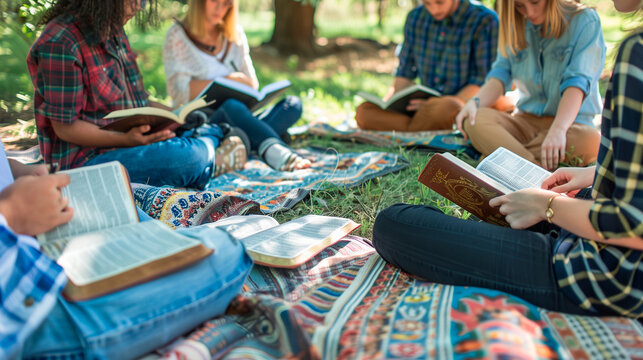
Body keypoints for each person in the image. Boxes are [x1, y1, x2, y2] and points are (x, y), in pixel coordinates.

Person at [372, 0, 643, 318]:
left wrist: (548, 206)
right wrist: (593, 174)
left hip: (604, 275)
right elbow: (499, 75)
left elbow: (633, 226)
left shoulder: (634, 51)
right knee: (490, 202)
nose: (527, 11)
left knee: (394, 223)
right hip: (593, 224)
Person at [0, 141, 252, 359]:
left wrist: (19, 173)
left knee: (124, 206)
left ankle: (215, 131)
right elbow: (66, 128)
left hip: (25, 237)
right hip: (24, 308)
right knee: (228, 248)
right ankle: (216, 133)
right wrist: (11, 212)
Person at [27, 0, 246, 190]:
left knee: (189, 134)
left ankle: (208, 140)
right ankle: (213, 145)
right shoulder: (61, 42)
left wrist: (179, 116)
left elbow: (140, 102)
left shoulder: (112, 29)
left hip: (131, 143)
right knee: (190, 158)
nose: (139, 6)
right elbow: (66, 128)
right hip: (86, 164)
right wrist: (124, 139)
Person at [455, 0, 605, 171]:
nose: (530, 13)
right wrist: (474, 103)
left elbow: (577, 82)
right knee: (475, 119)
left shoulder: (585, 20)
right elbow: (500, 74)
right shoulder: (515, 23)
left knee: (590, 141)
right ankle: (533, 169)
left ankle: (503, 158)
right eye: (519, 6)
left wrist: (558, 129)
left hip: (570, 125)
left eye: (535, 2)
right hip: (524, 122)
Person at [163, 0, 310, 171]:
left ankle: (244, 143)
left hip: (240, 116)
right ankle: (274, 149)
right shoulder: (177, 35)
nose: (220, 9)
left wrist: (232, 79)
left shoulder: (234, 34)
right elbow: (179, 93)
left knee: (292, 105)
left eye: (226, 3)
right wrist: (225, 79)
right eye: (214, 1)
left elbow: (252, 84)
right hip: (205, 120)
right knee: (232, 106)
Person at [354, 0, 514, 132]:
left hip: (462, 102)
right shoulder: (415, 18)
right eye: (427, 3)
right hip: (423, 107)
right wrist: (391, 104)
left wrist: (436, 106)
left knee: (447, 107)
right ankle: (419, 129)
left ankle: (408, 129)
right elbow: (404, 72)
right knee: (364, 112)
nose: (434, 9)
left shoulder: (485, 20)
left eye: (439, 2)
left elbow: (483, 81)